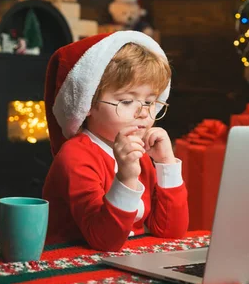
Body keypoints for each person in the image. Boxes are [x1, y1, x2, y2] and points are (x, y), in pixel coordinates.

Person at [43, 31, 189, 251]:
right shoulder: (75, 157)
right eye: (127, 101)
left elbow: (171, 231)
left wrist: (166, 164)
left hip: (123, 262)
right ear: (88, 104)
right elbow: (104, 241)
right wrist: (126, 177)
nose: (143, 112)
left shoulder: (141, 153)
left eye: (150, 102)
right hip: (73, 265)